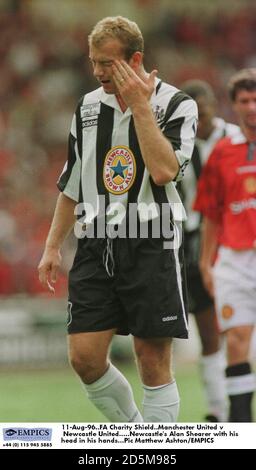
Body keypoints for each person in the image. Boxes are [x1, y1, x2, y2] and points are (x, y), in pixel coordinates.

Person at [38, 16, 197, 423]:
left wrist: (141, 105)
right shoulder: (88, 107)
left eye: (107, 63)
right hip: (96, 242)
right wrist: (53, 245)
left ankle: (150, 450)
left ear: (135, 58)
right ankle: (134, 433)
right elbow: (73, 181)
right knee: (85, 358)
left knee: (151, 358)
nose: (97, 72)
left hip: (152, 240)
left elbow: (164, 171)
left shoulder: (178, 105)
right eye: (93, 62)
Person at [194, 68, 256, 421]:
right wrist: (206, 263)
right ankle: (241, 429)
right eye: (244, 100)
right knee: (236, 341)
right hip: (234, 260)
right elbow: (211, 214)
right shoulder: (221, 154)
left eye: (255, 99)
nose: (251, 107)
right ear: (233, 106)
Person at [179, 80, 239, 422]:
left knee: (238, 326)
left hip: (234, 240)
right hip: (192, 243)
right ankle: (218, 409)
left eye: (205, 114)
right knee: (207, 329)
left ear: (215, 108)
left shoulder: (235, 138)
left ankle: (236, 404)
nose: (200, 122)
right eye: (194, 117)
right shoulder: (179, 145)